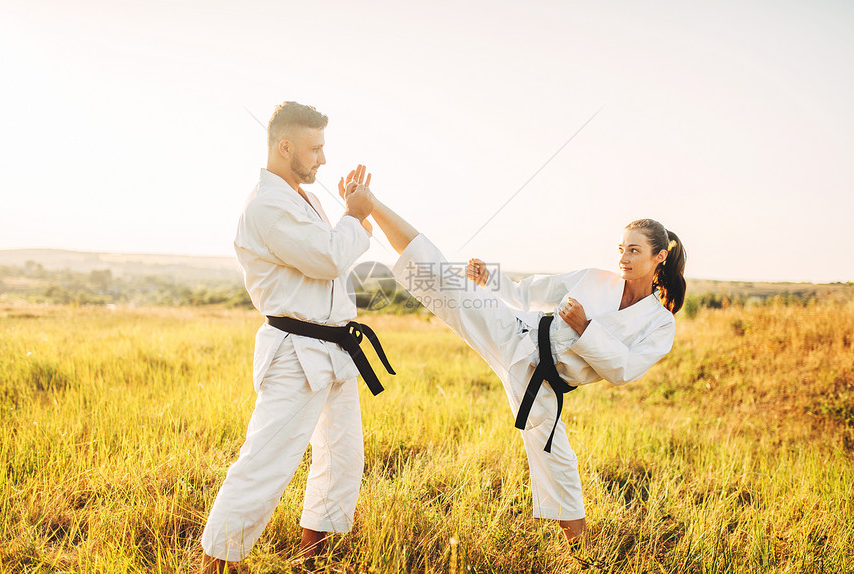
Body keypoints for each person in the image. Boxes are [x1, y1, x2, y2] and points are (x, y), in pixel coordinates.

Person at [365, 194, 686, 543]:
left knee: (559, 462)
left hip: (545, 383)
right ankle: (373, 204)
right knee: (443, 280)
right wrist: (491, 280)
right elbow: (528, 292)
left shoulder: (659, 324)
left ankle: (581, 555)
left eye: (634, 250)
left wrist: (585, 328)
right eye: (621, 248)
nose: (623, 258)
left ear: (660, 256)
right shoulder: (595, 279)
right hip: (516, 332)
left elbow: (623, 370)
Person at [199, 103, 391, 573]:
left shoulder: (303, 197)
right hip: (295, 352)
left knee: (342, 459)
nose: (323, 160)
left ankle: (314, 560)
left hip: (334, 350)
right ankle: (217, 564)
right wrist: (354, 214)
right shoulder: (266, 204)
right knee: (265, 463)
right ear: (285, 147)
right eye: (315, 148)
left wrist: (356, 219)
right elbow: (327, 259)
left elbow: (331, 258)